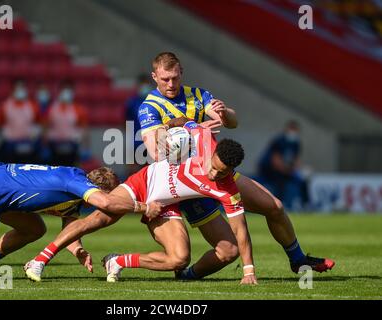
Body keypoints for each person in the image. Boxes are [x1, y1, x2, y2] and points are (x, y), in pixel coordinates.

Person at [138, 52, 334, 277]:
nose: (171, 84)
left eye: (174, 77)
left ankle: (298, 260)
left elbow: (230, 121)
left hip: (216, 172)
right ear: (155, 77)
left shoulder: (197, 95)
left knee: (275, 207)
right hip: (187, 185)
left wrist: (224, 112)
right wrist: (186, 127)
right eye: (165, 79)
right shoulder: (149, 107)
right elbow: (155, 151)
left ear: (181, 71)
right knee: (228, 251)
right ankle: (186, 275)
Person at [24, 120, 256, 284]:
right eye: (213, 168)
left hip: (166, 204)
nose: (214, 175)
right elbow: (184, 120)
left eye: (222, 173)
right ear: (213, 152)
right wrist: (166, 129)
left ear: (232, 171)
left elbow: (241, 229)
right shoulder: (202, 137)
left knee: (179, 259)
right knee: (98, 217)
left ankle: (118, 261)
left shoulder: (228, 190)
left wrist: (248, 271)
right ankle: (39, 260)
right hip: (144, 182)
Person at [0, 163, 162, 278]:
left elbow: (70, 228)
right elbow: (107, 203)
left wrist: (78, 250)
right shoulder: (76, 183)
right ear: (97, 189)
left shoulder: (75, 192)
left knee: (35, 228)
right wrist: (142, 207)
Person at [258, 120, 309, 210]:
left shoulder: (296, 143)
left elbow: (296, 160)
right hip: (269, 169)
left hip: (286, 169)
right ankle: (279, 205)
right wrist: (288, 171)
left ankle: (305, 204)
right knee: (280, 180)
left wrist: (299, 170)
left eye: (296, 130)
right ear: (287, 129)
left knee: (303, 181)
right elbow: (275, 162)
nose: (294, 132)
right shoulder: (279, 141)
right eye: (292, 129)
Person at [44, 81, 90, 167]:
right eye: (64, 90)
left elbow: (84, 129)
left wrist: (85, 147)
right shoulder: (52, 108)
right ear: (59, 92)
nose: (66, 93)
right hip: (55, 146)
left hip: (72, 147)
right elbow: (46, 127)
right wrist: (45, 145)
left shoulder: (78, 109)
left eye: (68, 90)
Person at [0, 80, 41, 164]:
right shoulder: (5, 106)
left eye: (22, 88)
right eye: (18, 88)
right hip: (11, 143)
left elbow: (38, 123)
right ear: (13, 90)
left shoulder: (32, 106)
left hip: (28, 142)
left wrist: (36, 133)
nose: (20, 90)